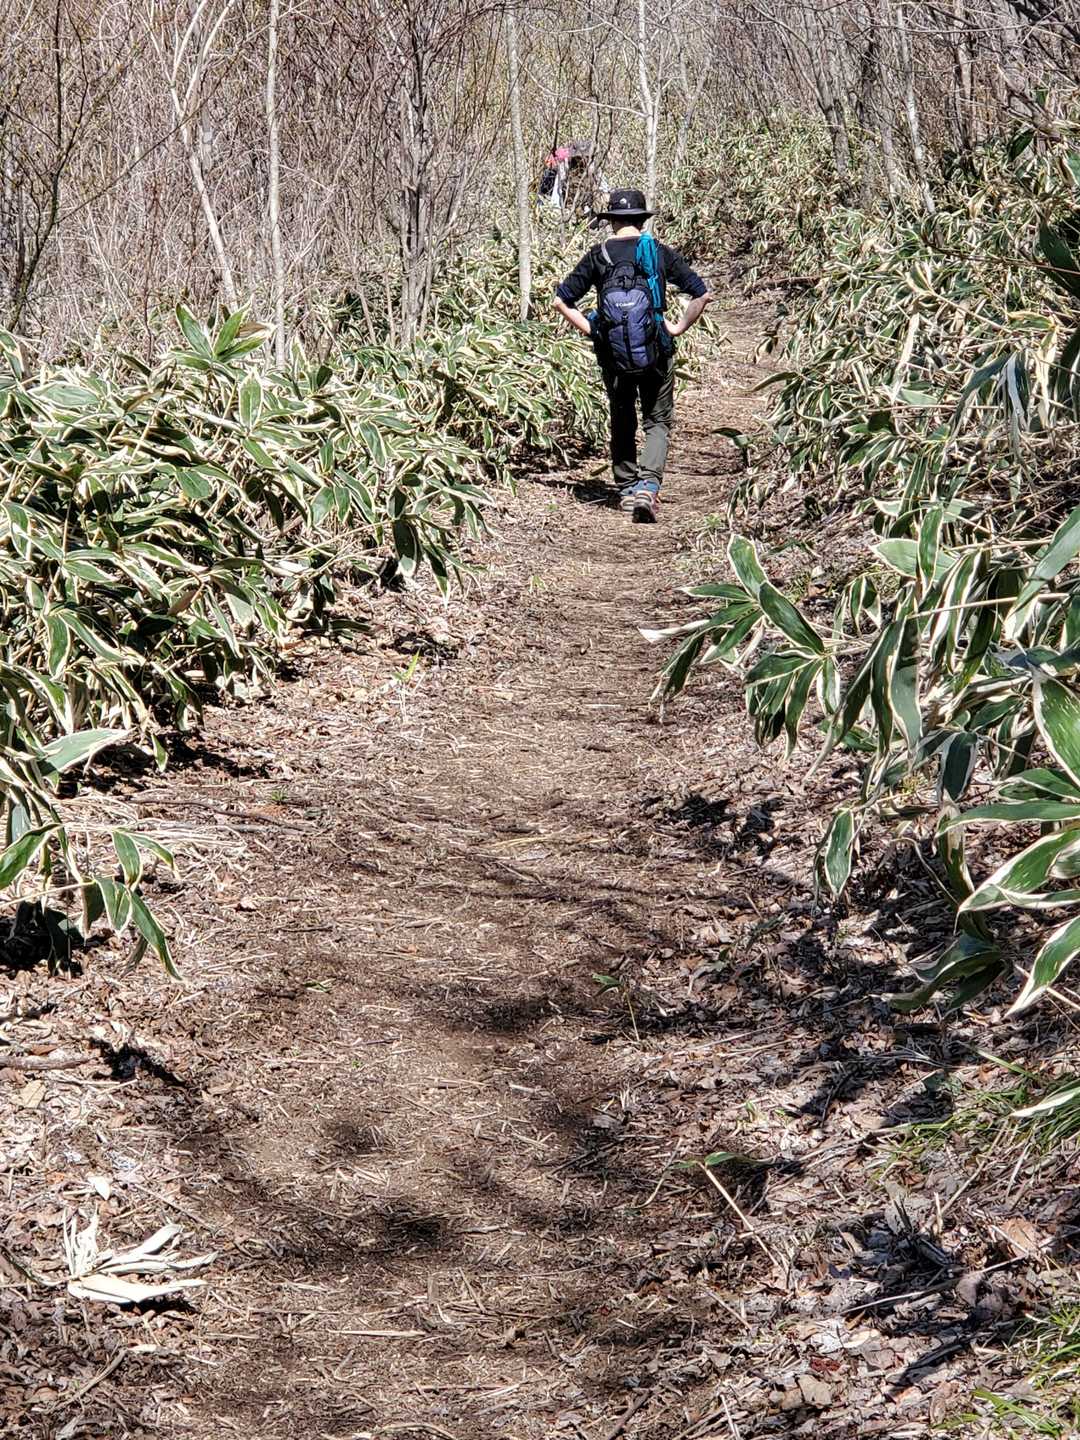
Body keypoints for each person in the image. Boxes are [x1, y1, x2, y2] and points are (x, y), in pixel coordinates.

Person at [553, 188, 712, 522]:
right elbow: (700, 294)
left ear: (611, 221)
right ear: (642, 219)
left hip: (614, 356)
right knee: (657, 421)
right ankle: (648, 487)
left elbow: (561, 300)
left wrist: (594, 330)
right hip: (657, 350)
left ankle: (626, 489)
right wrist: (677, 327)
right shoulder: (657, 252)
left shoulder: (598, 255)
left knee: (622, 416)